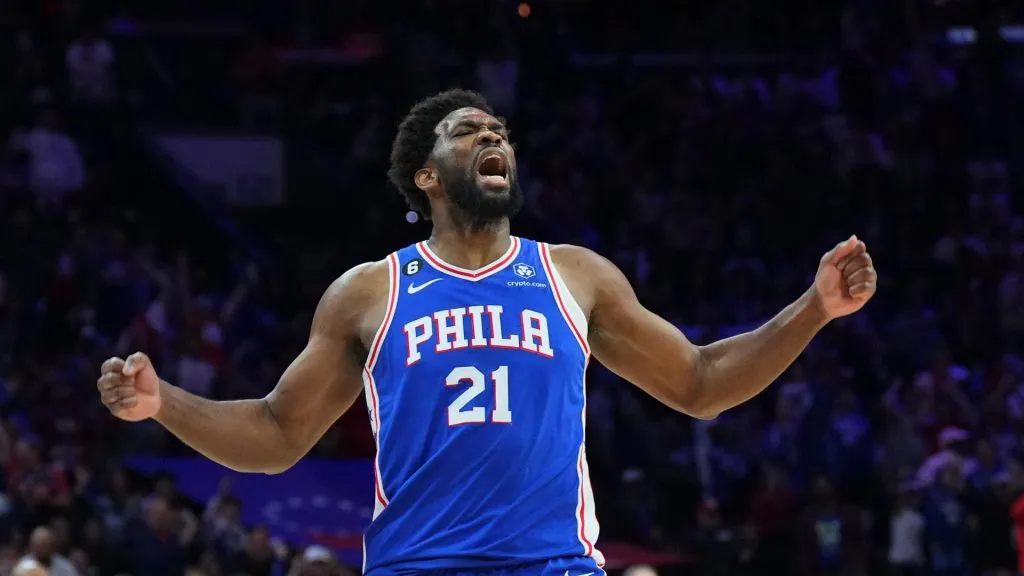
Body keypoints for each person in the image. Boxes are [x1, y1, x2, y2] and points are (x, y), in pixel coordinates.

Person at [96, 89, 877, 575]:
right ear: (428, 177)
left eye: (498, 129)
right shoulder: (370, 293)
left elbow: (702, 384)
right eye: (469, 132)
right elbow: (274, 432)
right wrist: (164, 402)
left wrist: (813, 308)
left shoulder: (576, 275)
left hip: (553, 566)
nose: (492, 137)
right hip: (417, 566)